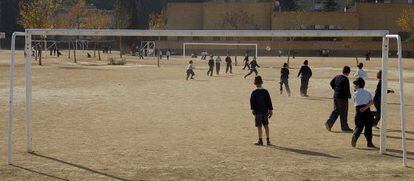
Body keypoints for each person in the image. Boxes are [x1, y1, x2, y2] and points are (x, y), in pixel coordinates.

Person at [325, 66, 353, 132]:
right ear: (348, 72)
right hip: (342, 98)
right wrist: (349, 96)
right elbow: (347, 89)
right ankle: (344, 127)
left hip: (336, 96)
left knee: (336, 110)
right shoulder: (345, 79)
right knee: (343, 112)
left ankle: (329, 123)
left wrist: (336, 89)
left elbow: (331, 83)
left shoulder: (337, 76)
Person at [351, 78, 375, 148]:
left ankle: (355, 137)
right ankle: (369, 143)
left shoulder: (355, 93)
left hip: (358, 111)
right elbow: (371, 102)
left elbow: (354, 102)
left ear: (358, 85)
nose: (354, 86)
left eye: (355, 85)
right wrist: (365, 107)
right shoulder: (368, 92)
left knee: (358, 127)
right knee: (368, 128)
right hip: (367, 111)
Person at [250, 76, 273, 146]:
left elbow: (252, 102)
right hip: (265, 111)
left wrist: (253, 109)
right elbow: (269, 101)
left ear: (255, 83)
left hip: (258, 111)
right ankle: (268, 140)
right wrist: (270, 109)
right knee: (266, 125)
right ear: (262, 82)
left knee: (259, 126)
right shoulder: (265, 91)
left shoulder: (254, 92)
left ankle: (260, 140)